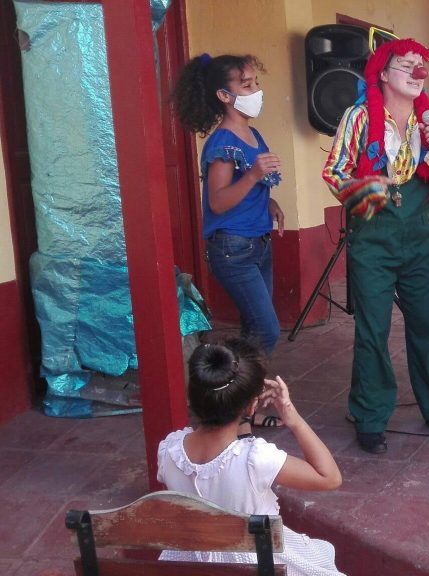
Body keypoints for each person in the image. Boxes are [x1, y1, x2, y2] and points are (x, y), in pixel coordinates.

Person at [322, 37, 429, 454]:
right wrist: (366, 187)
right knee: (373, 330)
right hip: (373, 238)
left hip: (419, 237)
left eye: (422, 66)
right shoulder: (358, 117)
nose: (418, 73)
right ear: (383, 74)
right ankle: (369, 416)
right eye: (407, 65)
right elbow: (334, 172)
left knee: (426, 325)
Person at [157, 339, 345, 576]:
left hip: (193, 564)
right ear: (251, 407)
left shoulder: (169, 450)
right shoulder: (255, 459)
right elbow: (329, 477)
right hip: (257, 564)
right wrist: (292, 416)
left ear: (194, 399)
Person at [172, 53, 286, 429]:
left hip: (258, 243)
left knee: (255, 330)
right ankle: (234, 403)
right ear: (224, 95)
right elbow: (219, 202)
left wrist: (269, 200)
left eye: (255, 82)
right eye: (247, 85)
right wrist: (254, 175)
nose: (256, 91)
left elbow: (246, 191)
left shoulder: (252, 134)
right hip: (232, 249)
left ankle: (241, 409)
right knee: (266, 329)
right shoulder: (222, 143)